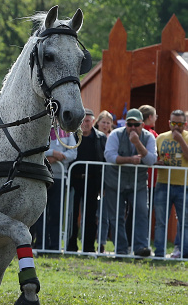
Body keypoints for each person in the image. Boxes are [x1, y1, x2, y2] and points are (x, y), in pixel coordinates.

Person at [102, 108, 157, 256]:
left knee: (141, 212)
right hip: (115, 181)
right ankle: (120, 249)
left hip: (138, 183)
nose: (132, 127)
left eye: (136, 124)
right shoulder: (115, 135)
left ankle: (140, 247)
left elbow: (151, 160)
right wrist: (129, 160)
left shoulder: (149, 137)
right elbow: (109, 156)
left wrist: (138, 143)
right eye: (129, 124)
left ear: (142, 125)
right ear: (125, 124)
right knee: (116, 216)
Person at [67, 108, 107, 252]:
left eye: (88, 120)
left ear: (93, 121)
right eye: (83, 121)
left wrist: (102, 185)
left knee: (90, 216)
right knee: (71, 215)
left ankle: (88, 248)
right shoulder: (72, 136)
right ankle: (71, 246)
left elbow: (104, 160)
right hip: (74, 180)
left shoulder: (101, 137)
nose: (85, 123)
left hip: (92, 182)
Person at [31, 127, 77, 250]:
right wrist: (52, 154)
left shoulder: (67, 132)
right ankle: (41, 245)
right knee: (41, 214)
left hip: (59, 177)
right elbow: (34, 149)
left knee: (56, 213)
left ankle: (55, 247)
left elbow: (73, 152)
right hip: (42, 177)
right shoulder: (41, 128)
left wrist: (59, 156)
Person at [153, 110, 188, 259]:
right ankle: (159, 252)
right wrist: (157, 162)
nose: (176, 127)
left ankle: (184, 252)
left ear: (185, 124)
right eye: (173, 123)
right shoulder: (161, 138)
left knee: (184, 221)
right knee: (161, 221)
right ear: (169, 123)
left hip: (183, 185)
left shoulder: (186, 137)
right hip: (163, 184)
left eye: (179, 124)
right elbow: (153, 157)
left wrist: (180, 140)